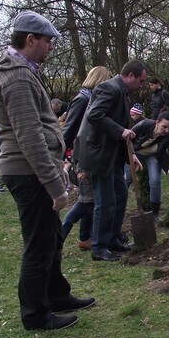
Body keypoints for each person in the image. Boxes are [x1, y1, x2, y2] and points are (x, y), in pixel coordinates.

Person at [0, 9, 95, 331]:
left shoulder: (21, 71)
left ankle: (56, 295)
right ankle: (35, 314)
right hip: (27, 171)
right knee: (39, 244)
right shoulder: (17, 77)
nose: (51, 47)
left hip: (30, 168)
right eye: (48, 41)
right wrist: (55, 185)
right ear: (30, 39)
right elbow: (29, 136)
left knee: (49, 238)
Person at [74, 59, 147, 262]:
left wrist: (131, 155)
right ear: (130, 75)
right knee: (105, 200)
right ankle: (99, 246)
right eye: (140, 81)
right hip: (98, 155)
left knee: (121, 193)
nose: (141, 86)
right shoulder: (109, 88)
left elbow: (118, 125)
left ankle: (113, 239)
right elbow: (95, 115)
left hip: (113, 155)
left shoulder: (122, 92)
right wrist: (121, 130)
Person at [61, 65, 112, 243]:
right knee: (86, 200)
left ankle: (85, 237)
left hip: (89, 153)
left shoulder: (92, 98)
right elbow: (68, 130)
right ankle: (61, 237)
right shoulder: (82, 100)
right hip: (82, 156)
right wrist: (66, 159)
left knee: (88, 198)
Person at [131, 111, 169, 214]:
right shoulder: (144, 125)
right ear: (157, 122)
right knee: (126, 179)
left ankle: (154, 213)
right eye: (164, 127)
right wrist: (131, 154)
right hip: (134, 153)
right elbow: (128, 139)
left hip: (153, 155)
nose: (167, 130)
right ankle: (117, 210)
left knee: (155, 181)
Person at [61, 167, 94, 250]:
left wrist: (87, 174)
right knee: (68, 220)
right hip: (82, 200)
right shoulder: (78, 163)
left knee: (96, 224)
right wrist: (74, 173)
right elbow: (75, 180)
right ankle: (56, 244)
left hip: (94, 200)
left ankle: (94, 243)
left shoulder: (92, 161)